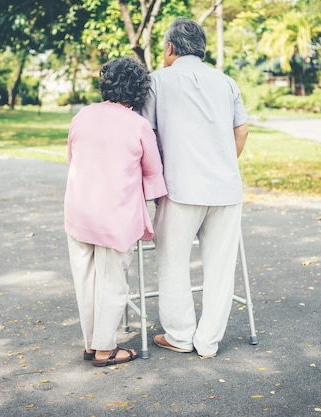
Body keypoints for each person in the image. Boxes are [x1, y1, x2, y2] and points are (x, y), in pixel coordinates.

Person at [140, 17, 249, 359]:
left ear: (170, 48)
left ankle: (181, 335)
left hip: (180, 189)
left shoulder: (157, 81)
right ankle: (209, 342)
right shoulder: (226, 81)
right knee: (220, 267)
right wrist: (222, 162)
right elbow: (241, 131)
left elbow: (145, 135)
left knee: (173, 261)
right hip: (225, 190)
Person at [64, 57, 167, 367]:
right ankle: (106, 350)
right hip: (115, 215)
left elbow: (73, 158)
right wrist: (158, 202)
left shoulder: (82, 116)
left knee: (86, 280)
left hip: (79, 211)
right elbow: (153, 173)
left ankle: (91, 343)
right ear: (139, 91)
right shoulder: (138, 125)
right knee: (112, 283)